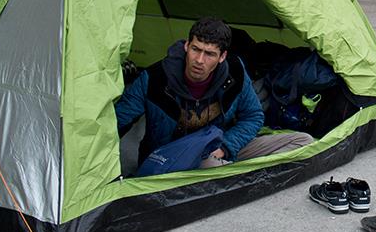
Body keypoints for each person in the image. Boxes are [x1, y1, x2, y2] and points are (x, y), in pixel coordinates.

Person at [116, 17, 314, 171]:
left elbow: (253, 116)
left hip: (218, 147)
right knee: (211, 166)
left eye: (209, 54)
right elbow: (117, 121)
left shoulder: (235, 73)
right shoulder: (154, 77)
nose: (199, 60)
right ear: (186, 46)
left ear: (222, 57)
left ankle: (230, 174)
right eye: (196, 49)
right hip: (172, 157)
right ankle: (231, 176)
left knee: (303, 141)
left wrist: (226, 147)